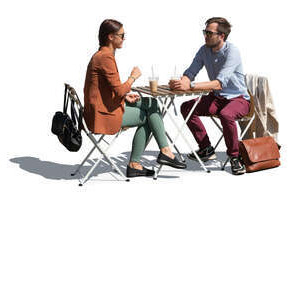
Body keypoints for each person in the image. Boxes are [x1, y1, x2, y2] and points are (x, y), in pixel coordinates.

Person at [83, 19, 186, 178]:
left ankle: (155, 156)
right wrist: (133, 77)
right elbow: (118, 91)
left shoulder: (102, 55)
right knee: (149, 118)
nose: (124, 38)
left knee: (151, 103)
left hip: (101, 108)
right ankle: (153, 156)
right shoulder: (105, 57)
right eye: (122, 35)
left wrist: (124, 96)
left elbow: (109, 90)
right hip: (102, 116)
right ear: (111, 37)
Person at [169, 17, 250, 175]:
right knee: (187, 107)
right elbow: (191, 71)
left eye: (209, 33)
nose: (205, 35)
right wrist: (181, 82)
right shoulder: (204, 50)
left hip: (238, 99)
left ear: (222, 36)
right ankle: (206, 148)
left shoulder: (232, 51)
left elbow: (219, 83)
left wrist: (190, 86)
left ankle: (235, 156)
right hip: (217, 98)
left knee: (226, 114)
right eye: (204, 32)